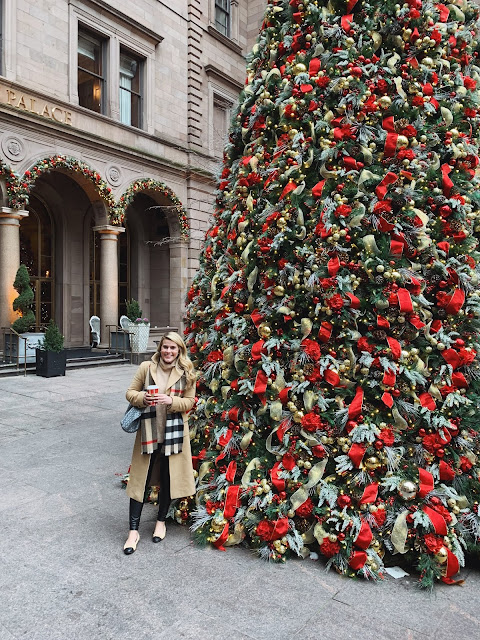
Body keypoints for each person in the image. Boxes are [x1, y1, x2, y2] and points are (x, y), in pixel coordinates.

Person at [123, 331, 196, 554]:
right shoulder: (147, 367)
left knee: (167, 478)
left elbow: (190, 402)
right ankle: (133, 531)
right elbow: (130, 393)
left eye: (173, 348)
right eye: (165, 347)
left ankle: (161, 522)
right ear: (160, 348)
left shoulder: (187, 372)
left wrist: (171, 400)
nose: (168, 351)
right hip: (148, 432)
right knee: (140, 481)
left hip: (173, 434)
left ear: (179, 350)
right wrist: (143, 398)